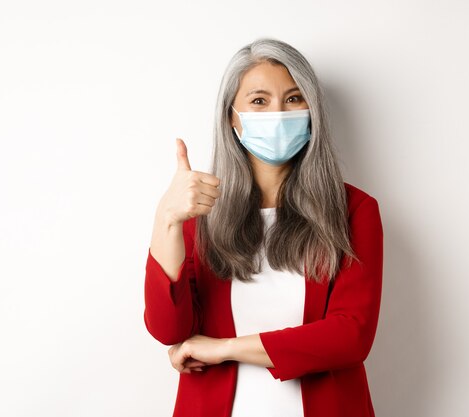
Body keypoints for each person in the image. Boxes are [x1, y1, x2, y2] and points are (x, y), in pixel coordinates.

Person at [143, 37, 384, 417]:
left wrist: (225, 348)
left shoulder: (353, 210)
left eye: (293, 98)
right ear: (232, 118)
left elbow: (350, 336)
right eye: (259, 101)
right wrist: (167, 219)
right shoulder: (200, 214)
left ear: (312, 110)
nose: (278, 112)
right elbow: (169, 330)